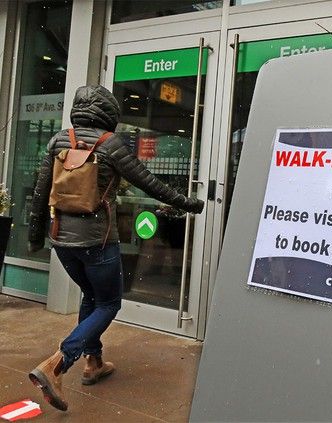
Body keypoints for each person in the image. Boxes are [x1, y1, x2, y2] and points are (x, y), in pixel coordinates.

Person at [27, 85, 204, 411]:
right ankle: (58, 363)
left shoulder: (57, 141)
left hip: (62, 241)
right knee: (109, 303)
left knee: (92, 297)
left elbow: (40, 193)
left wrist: (35, 238)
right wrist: (190, 204)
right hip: (98, 241)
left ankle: (94, 364)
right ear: (108, 112)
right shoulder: (110, 145)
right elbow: (149, 183)